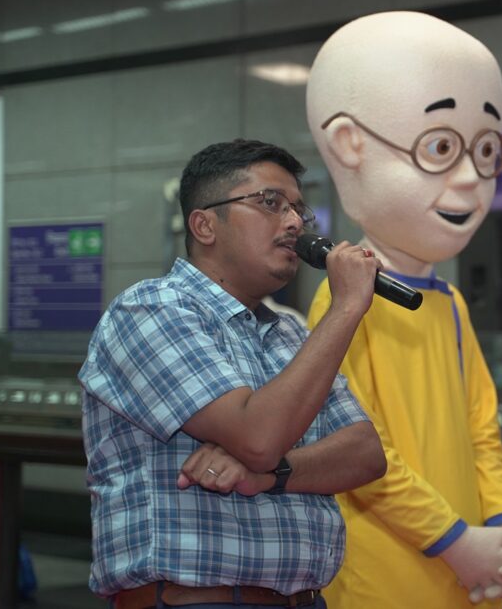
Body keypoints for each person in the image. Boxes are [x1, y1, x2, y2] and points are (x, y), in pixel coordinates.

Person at [78, 139, 387, 607]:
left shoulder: (288, 332)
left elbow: (365, 454)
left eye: (299, 211)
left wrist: (272, 473)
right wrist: (346, 307)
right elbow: (258, 435)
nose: (293, 223)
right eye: (270, 203)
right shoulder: (151, 309)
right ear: (204, 224)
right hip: (197, 598)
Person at [304, 11, 502, 608]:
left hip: (472, 570)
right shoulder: (343, 299)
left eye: (486, 150)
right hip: (388, 578)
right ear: (349, 146)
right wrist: (454, 540)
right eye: (440, 147)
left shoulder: (450, 302)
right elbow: (359, 450)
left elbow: (482, 427)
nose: (470, 179)